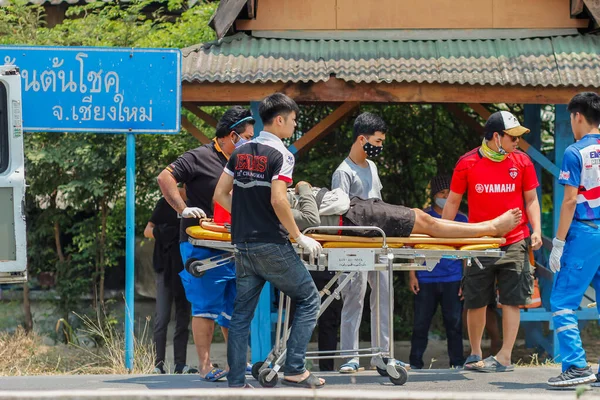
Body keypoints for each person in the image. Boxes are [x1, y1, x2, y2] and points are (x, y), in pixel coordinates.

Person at [214, 93, 325, 389]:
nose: (294, 125)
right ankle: (295, 368)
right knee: (310, 299)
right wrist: (298, 236)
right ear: (279, 120)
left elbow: (220, 194)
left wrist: (243, 215)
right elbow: (279, 200)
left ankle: (236, 381)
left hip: (243, 244)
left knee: (241, 316)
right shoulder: (283, 155)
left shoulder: (241, 150)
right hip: (271, 244)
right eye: (293, 120)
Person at [157, 106, 255, 382]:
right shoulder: (199, 157)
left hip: (232, 243)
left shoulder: (243, 162)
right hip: (201, 243)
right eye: (247, 136)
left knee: (233, 305)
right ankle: (205, 366)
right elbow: (165, 178)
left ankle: (238, 361)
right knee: (206, 306)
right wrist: (182, 208)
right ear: (232, 136)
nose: (250, 141)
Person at [443, 111, 542, 373]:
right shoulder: (467, 163)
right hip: (479, 242)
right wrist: (443, 237)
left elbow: (531, 199)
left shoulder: (521, 161)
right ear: (496, 137)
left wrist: (537, 230)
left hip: (516, 240)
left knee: (512, 300)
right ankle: (475, 353)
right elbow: (452, 202)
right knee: (475, 300)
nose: (517, 143)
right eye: (513, 137)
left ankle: (505, 356)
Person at [547, 92, 600, 387]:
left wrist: (558, 242)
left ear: (577, 116)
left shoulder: (575, 152)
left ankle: (577, 366)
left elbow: (569, 202)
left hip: (585, 232)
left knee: (563, 299)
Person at [408, 175, 466, 370]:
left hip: (454, 278)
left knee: (455, 325)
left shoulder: (461, 218)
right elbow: (413, 247)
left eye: (449, 193)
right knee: (420, 324)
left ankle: (457, 363)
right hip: (425, 277)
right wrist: (412, 274)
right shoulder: (423, 218)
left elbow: (467, 252)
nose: (446, 196)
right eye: (442, 193)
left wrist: (465, 280)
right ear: (434, 195)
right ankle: (415, 363)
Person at [290, 181, 342, 372]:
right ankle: (294, 364)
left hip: (317, 266)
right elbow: (311, 219)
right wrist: (303, 186)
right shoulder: (302, 206)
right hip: (311, 267)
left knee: (321, 321)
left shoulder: (297, 205)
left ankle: (297, 364)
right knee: (305, 320)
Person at [144, 192, 196, 374]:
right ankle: (158, 364)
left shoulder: (194, 204)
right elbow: (147, 230)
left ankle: (180, 364)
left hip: (185, 268)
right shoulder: (164, 203)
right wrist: (163, 232)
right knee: (162, 317)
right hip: (165, 267)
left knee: (183, 317)